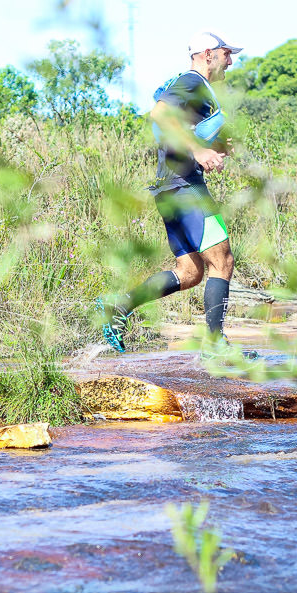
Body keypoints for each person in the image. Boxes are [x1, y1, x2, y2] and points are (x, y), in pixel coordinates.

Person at [96, 31, 245, 356]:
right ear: (209, 54)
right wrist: (198, 150)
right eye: (227, 54)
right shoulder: (191, 82)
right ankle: (216, 346)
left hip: (170, 188)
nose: (231, 61)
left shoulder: (198, 89)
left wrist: (213, 147)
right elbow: (160, 114)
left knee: (190, 272)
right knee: (223, 261)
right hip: (186, 188)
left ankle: (120, 306)